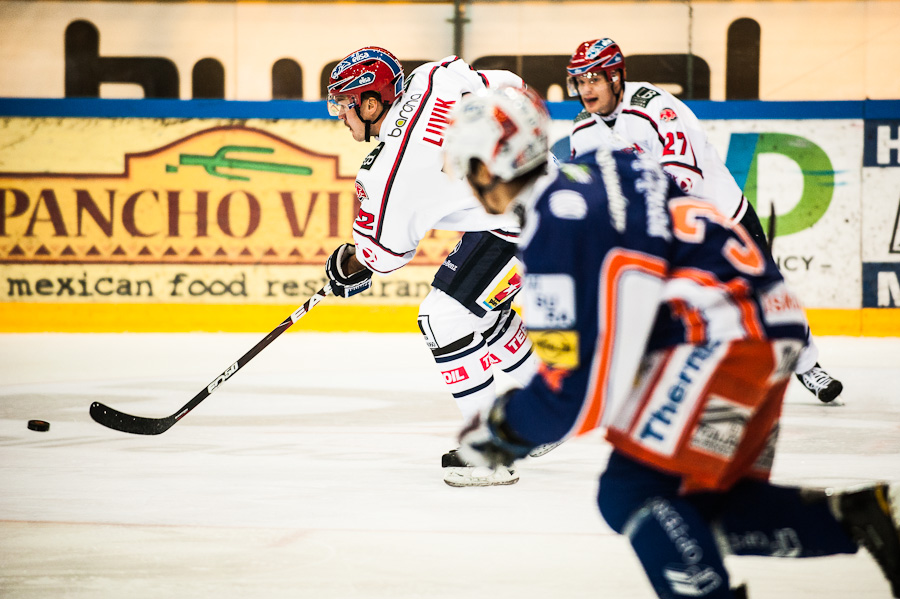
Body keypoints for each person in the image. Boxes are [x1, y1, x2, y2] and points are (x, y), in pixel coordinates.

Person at [445, 85, 900, 598]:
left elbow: (580, 391)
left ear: (488, 168)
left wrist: (503, 432)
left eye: (466, 168)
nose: (466, 182)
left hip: (726, 338)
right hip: (770, 325)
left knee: (629, 494)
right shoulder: (598, 168)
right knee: (691, 509)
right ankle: (867, 518)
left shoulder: (554, 222)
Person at [564, 37, 843, 404]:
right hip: (663, 228)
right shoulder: (583, 130)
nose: (586, 89)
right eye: (581, 81)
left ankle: (808, 366)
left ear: (617, 77)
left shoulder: (654, 106)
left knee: (766, 291)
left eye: (594, 79)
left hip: (720, 210)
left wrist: (642, 222)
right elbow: (592, 187)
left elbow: (684, 175)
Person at [323, 46, 542, 487]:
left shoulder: (386, 173)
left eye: (345, 106)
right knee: (478, 310)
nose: (340, 116)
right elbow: (513, 86)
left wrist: (347, 263)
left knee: (441, 318)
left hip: (524, 227)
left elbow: (381, 258)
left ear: (370, 103)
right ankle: (539, 415)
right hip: (537, 201)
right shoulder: (432, 78)